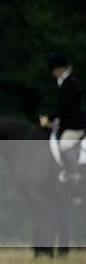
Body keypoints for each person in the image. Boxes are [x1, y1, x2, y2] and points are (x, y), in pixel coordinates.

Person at [42, 53, 85, 184]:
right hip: (68, 121)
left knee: (65, 145)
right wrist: (57, 120)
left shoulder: (70, 83)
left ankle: (74, 174)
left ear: (59, 69)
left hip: (75, 125)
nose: (52, 74)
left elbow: (66, 107)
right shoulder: (66, 82)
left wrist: (49, 117)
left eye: (53, 71)